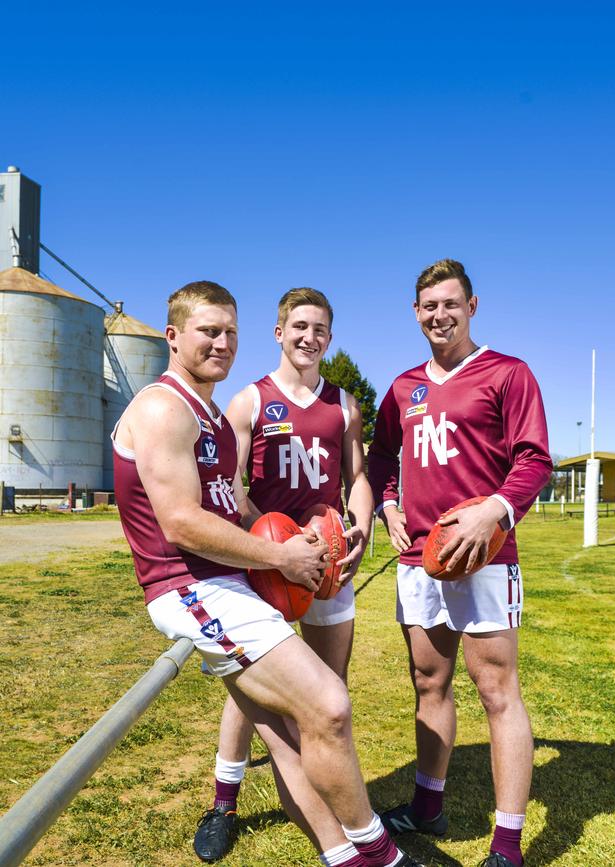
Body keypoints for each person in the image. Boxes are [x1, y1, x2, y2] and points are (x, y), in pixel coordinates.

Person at [112, 281, 421, 867]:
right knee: (327, 704)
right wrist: (283, 557)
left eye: (230, 331)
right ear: (172, 336)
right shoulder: (163, 406)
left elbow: (235, 505)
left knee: (293, 729)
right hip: (196, 585)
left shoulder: (213, 415)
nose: (222, 343)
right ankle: (380, 854)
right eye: (209, 331)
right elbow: (180, 523)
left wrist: (318, 538)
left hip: (252, 571)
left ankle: (345, 855)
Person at [368, 259, 552, 867]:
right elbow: (380, 460)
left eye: (450, 303)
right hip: (420, 557)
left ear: (473, 306)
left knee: (497, 691)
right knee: (428, 683)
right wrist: (388, 504)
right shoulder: (401, 388)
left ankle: (507, 846)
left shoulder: (508, 373)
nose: (439, 315)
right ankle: (428, 809)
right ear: (415, 313)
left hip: (485, 555)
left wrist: (492, 512)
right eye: (428, 306)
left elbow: (534, 461)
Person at [194, 286, 374, 863]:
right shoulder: (249, 400)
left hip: (327, 561)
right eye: (299, 326)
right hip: (269, 560)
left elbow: (359, 476)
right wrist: (273, 541)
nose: (308, 337)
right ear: (279, 332)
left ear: (329, 336)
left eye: (319, 328)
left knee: (327, 691)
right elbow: (231, 485)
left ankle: (320, 793)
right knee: (252, 693)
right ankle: (224, 802)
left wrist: (362, 524)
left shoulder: (344, 405)